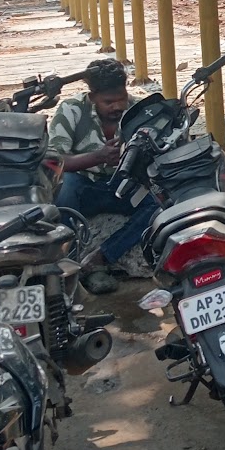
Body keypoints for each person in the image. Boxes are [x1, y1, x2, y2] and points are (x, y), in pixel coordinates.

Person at [48, 57, 153, 292]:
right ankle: (66, 262)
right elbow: (54, 162)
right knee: (65, 188)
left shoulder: (138, 111)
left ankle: (102, 257)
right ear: (92, 96)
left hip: (123, 187)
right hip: (85, 187)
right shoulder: (71, 110)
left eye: (121, 99)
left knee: (157, 203)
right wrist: (99, 157)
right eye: (108, 102)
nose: (117, 107)